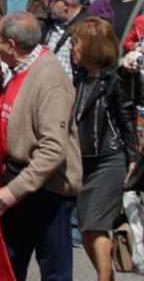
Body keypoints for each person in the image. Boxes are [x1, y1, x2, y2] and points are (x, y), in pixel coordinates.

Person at [0, 12, 81, 281]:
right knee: (9, 266)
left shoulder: (49, 78)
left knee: (54, 271)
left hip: (45, 191)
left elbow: (53, 148)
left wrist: (13, 191)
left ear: (11, 45)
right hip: (17, 182)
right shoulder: (17, 70)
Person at [69, 18, 137, 281]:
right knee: (87, 229)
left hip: (109, 160)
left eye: (77, 42)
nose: (73, 47)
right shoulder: (80, 79)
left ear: (92, 45)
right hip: (82, 161)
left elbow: (126, 119)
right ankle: (106, 277)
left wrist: (132, 157)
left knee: (96, 226)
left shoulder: (115, 80)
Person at [43, 0, 89, 76]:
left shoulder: (90, 30)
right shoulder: (46, 24)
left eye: (50, 1)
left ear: (65, 5)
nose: (46, 5)